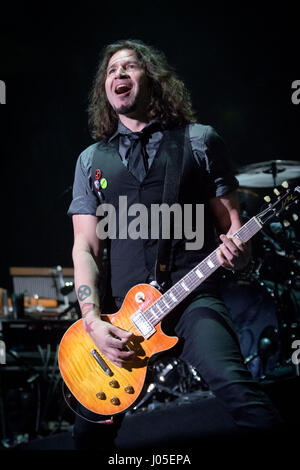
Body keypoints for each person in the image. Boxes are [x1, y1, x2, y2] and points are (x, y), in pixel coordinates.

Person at [67, 39, 283, 451]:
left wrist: (239, 256)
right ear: (104, 89)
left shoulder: (200, 142)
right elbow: (85, 249)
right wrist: (93, 320)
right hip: (122, 318)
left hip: (193, 299)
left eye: (129, 67)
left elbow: (234, 231)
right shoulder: (91, 161)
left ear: (153, 79)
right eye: (111, 71)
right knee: (89, 434)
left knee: (243, 395)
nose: (119, 75)